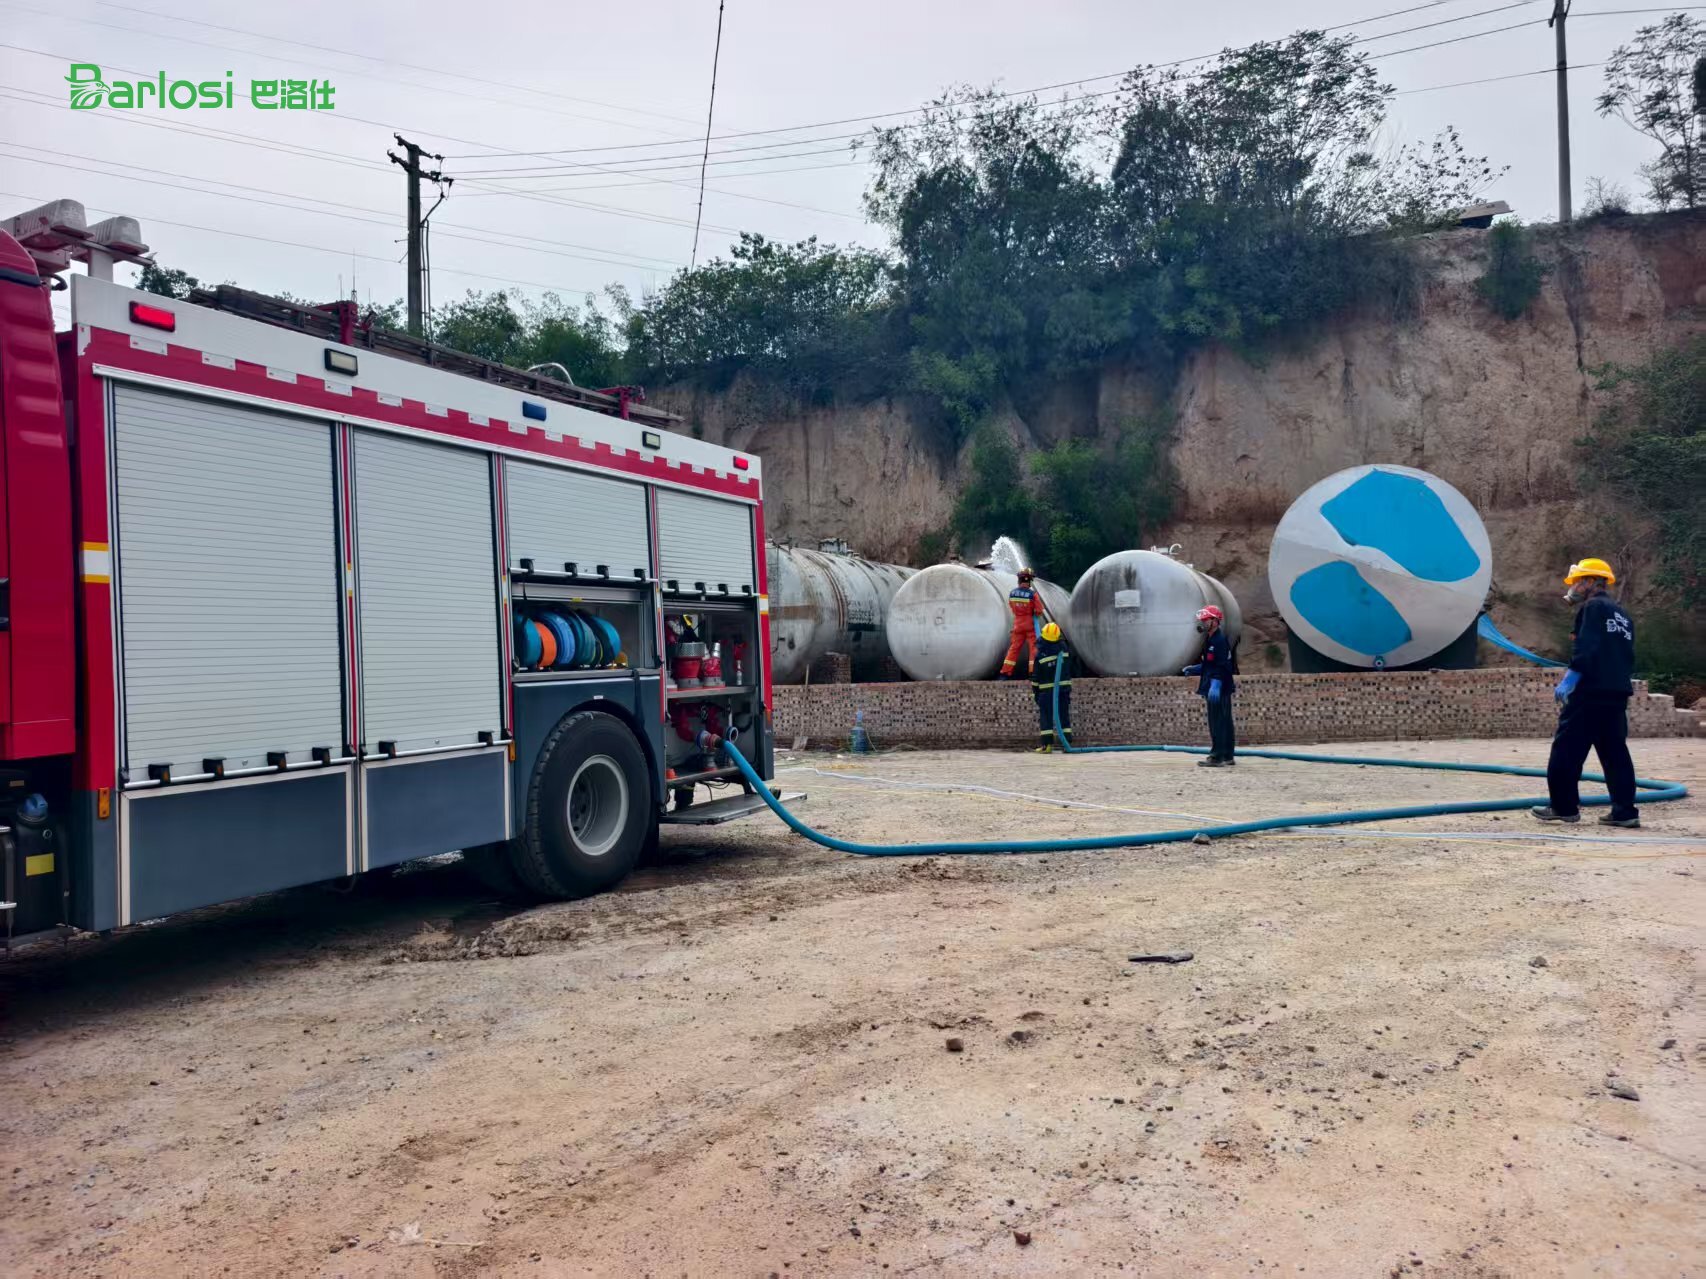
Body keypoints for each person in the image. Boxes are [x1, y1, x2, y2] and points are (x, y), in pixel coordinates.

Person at [1531, 557, 1641, 828]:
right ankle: (1624, 812)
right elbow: (1624, 654)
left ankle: (1563, 807)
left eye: (1578, 581)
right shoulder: (1621, 614)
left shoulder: (1592, 607)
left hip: (1590, 691)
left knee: (1566, 749)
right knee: (1615, 752)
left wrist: (1573, 676)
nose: (1575, 587)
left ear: (1591, 581)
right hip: (1616, 692)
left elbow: (1588, 646)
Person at [1181, 605, 1237, 767]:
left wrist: (1216, 684)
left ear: (1215, 621)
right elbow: (1210, 664)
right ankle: (1227, 755)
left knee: (1218, 721)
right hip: (1218, 685)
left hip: (1218, 688)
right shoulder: (1212, 639)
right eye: (1202, 620)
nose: (1203, 623)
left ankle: (1217, 756)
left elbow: (1222, 665)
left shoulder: (1218, 640)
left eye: (1206, 620)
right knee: (1224, 720)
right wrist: (1196, 668)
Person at [1000, 568, 1051, 679]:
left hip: (1017, 624)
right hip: (1030, 624)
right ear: (1029, 581)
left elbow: (1012, 607)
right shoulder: (1032, 594)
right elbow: (1038, 610)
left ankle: (1005, 673)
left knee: (1014, 648)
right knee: (1033, 648)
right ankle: (1033, 672)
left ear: (1019, 580)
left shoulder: (1012, 593)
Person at [1031, 621, 1073, 752]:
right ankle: (1067, 745)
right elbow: (1071, 667)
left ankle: (1047, 746)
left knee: (1046, 718)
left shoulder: (1041, 653)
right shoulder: (1064, 649)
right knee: (1064, 716)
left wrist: (1035, 693)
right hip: (1063, 690)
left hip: (1046, 692)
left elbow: (1036, 678)